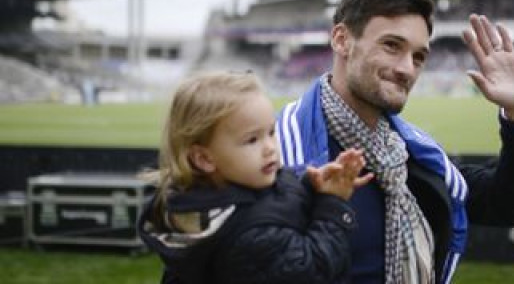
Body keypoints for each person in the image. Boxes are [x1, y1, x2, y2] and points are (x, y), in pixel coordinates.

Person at [276, 0, 514, 284]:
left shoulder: (408, 153)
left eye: (419, 56)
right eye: (392, 45)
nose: (407, 68)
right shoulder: (276, 153)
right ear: (342, 40)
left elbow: (509, 204)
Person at [137, 71, 373, 284]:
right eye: (252, 140)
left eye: (271, 132)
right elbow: (315, 269)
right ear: (204, 159)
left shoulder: (240, 187)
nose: (270, 147)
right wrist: (333, 203)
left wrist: (312, 186)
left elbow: (278, 200)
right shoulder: (249, 236)